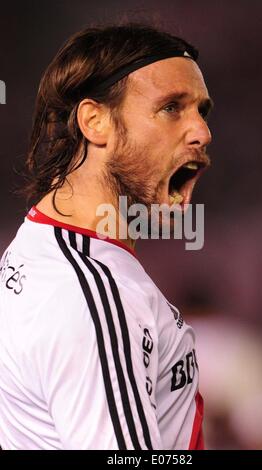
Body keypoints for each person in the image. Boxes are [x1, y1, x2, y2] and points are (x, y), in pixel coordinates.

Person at [0, 23, 213, 450]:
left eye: (201, 111)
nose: (202, 133)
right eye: (172, 107)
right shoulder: (89, 294)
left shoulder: (42, 243)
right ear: (95, 122)